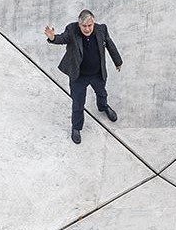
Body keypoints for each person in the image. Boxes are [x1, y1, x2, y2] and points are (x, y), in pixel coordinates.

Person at [44, 9, 123, 144]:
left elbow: (109, 44)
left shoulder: (101, 29)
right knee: (78, 104)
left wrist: (118, 61)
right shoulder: (72, 30)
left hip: (97, 73)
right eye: (84, 26)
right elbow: (62, 39)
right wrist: (52, 37)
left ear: (94, 22)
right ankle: (76, 127)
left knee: (102, 93)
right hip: (79, 76)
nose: (87, 29)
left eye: (89, 25)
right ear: (79, 24)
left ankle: (103, 107)